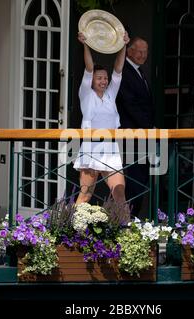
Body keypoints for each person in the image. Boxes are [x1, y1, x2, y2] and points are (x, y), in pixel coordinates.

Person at [73, 31, 130, 205]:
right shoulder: (86, 94)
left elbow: (118, 70)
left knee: (120, 195)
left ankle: (127, 231)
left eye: (105, 78)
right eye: (99, 78)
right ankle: (70, 230)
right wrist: (85, 44)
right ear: (91, 81)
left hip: (110, 148)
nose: (104, 81)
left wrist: (124, 45)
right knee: (85, 196)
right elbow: (89, 68)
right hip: (91, 147)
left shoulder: (111, 94)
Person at [116, 37, 154, 216]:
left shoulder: (138, 71)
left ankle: (133, 219)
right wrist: (148, 127)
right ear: (129, 51)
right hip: (131, 135)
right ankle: (127, 221)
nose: (143, 55)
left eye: (145, 51)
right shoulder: (125, 71)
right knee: (134, 181)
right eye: (139, 51)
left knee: (140, 180)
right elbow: (129, 104)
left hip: (142, 136)